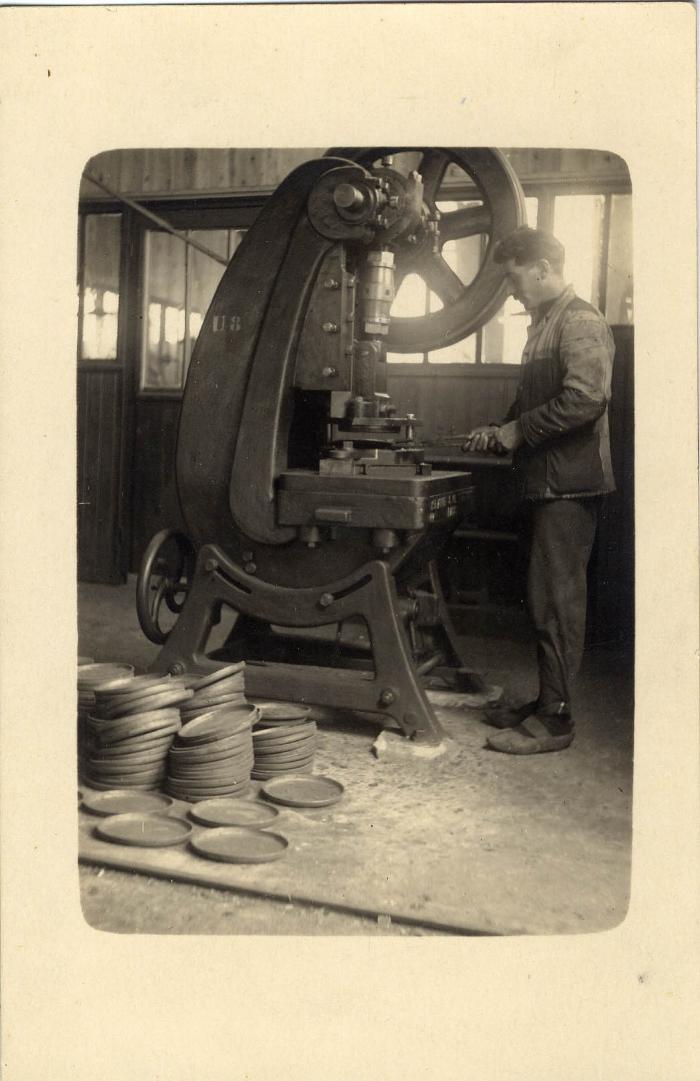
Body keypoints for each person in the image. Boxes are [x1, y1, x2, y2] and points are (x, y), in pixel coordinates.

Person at [463, 226, 615, 755]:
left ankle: (558, 719)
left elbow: (584, 400)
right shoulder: (545, 324)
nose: (511, 290)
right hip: (546, 482)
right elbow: (535, 399)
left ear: (544, 269)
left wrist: (518, 431)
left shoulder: (580, 322)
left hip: (569, 487)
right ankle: (549, 699)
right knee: (542, 598)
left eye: (514, 278)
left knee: (557, 602)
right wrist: (500, 427)